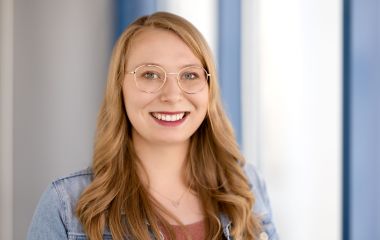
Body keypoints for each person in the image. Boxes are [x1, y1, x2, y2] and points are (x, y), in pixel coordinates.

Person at [27, 12, 278, 240]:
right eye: (149, 74)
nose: (172, 95)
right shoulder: (65, 206)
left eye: (189, 75)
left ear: (209, 88)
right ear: (119, 87)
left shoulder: (246, 186)